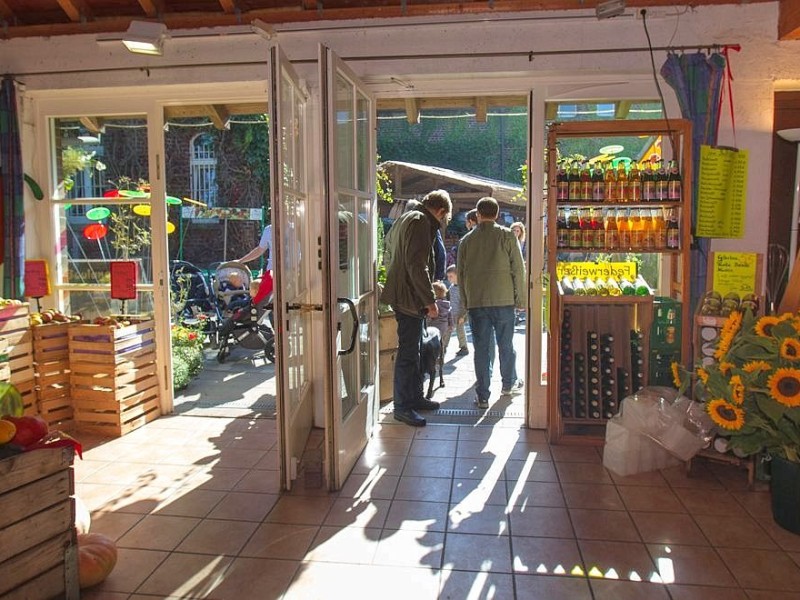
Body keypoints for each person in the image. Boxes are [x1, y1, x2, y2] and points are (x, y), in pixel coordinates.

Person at [381, 189, 453, 427]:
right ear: (441, 210)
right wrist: (429, 301)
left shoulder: (408, 216)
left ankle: (414, 398)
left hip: (404, 294)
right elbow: (417, 265)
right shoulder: (421, 221)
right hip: (410, 297)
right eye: (444, 217)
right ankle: (402, 407)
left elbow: (391, 251)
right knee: (408, 353)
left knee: (415, 349)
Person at [457, 197, 526, 409]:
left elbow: (461, 274)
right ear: (497, 214)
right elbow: (518, 268)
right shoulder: (507, 236)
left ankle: (483, 395)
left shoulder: (466, 241)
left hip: (477, 301)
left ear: (478, 214)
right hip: (504, 299)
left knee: (481, 349)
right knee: (506, 344)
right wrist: (520, 299)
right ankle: (508, 384)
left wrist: (465, 304)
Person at [238, 223, 274, 307]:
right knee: (263, 298)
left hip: (294, 270)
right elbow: (260, 250)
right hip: (273, 271)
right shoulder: (268, 229)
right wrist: (241, 261)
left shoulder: (296, 226)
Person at [446, 264, 469, 356]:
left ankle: (464, 347)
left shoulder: (462, 288)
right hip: (451, 314)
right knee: (447, 331)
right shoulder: (451, 288)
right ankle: (443, 347)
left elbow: (465, 303)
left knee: (460, 331)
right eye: (448, 276)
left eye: (451, 276)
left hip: (459, 315)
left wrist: (463, 316)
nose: (449, 278)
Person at [429, 280, 452, 347]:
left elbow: (431, 315)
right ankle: (442, 354)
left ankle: (436, 355)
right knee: (442, 342)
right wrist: (451, 325)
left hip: (434, 326)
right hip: (444, 326)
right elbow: (449, 315)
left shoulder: (434, 304)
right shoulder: (446, 304)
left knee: (434, 342)